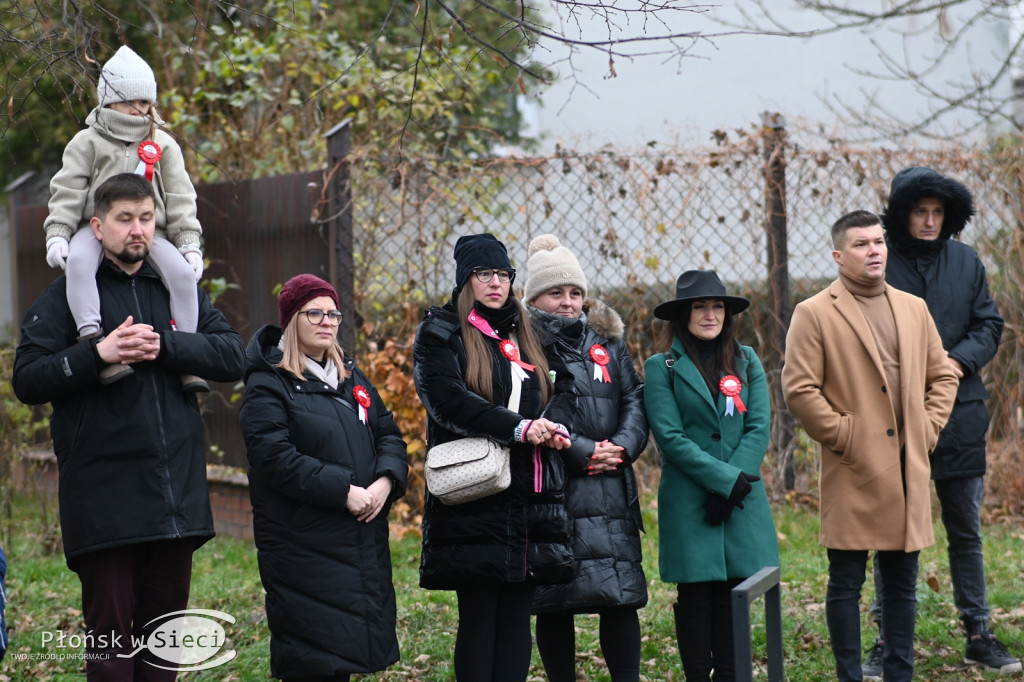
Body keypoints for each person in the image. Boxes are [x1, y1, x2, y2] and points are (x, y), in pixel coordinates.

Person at [12, 172, 245, 680]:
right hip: (105, 506)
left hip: (175, 503)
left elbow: (234, 355)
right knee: (113, 657)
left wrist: (167, 344)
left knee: (163, 657)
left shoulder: (176, 290)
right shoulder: (65, 298)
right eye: (124, 219)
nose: (137, 230)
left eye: (146, 218)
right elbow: (27, 379)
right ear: (97, 226)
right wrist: (99, 353)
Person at [782, 210, 958, 682]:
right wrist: (846, 435)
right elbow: (799, 389)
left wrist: (928, 428)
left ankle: (900, 673)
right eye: (861, 244)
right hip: (853, 468)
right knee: (846, 582)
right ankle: (849, 675)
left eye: (878, 242)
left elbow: (942, 375)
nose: (874, 250)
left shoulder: (912, 307)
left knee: (902, 586)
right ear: (839, 255)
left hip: (907, 471)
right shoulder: (815, 312)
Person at [857, 166, 1016, 677]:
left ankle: (979, 632)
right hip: (895, 419)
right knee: (893, 531)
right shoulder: (880, 264)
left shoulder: (966, 262)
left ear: (949, 216)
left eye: (937, 212)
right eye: (920, 211)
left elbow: (989, 323)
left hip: (962, 416)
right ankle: (888, 638)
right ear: (903, 214)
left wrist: (955, 361)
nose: (928, 221)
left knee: (965, 530)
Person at [413, 232, 575, 682]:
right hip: (477, 489)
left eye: (503, 274)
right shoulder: (441, 330)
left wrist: (555, 424)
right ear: (467, 280)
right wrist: (519, 427)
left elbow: (566, 386)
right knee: (481, 614)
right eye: (485, 274)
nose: (496, 283)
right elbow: (447, 400)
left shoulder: (530, 328)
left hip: (530, 490)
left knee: (518, 614)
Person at [239, 274, 409, 681]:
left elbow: (388, 434)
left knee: (344, 659)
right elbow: (274, 457)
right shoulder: (268, 384)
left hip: (359, 541)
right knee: (314, 662)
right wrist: (343, 491)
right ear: (291, 320)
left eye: (333, 313)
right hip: (304, 545)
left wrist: (386, 480)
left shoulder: (351, 377)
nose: (326, 321)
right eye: (314, 312)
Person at [43, 44, 209, 391]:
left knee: (181, 275)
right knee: (78, 265)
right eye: (132, 102)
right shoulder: (85, 143)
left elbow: (180, 198)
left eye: (146, 103)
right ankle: (94, 339)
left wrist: (189, 244)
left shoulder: (162, 144)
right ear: (109, 101)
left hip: (152, 234)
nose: (140, 111)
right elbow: (68, 191)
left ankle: (187, 357)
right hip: (96, 230)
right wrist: (58, 232)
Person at [524, 235, 649, 682]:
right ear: (534, 297)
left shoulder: (607, 340)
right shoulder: (522, 343)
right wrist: (580, 451)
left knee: (620, 595)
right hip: (555, 486)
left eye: (575, 292)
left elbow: (634, 394)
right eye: (556, 293)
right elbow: (528, 409)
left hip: (611, 484)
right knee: (555, 597)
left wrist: (623, 446)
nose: (568, 302)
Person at [643, 269, 779, 682]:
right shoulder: (660, 366)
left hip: (742, 496)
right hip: (691, 499)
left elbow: (759, 427)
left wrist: (734, 482)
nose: (709, 314)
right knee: (697, 595)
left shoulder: (747, 360)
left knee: (735, 594)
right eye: (699, 306)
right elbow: (669, 436)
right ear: (682, 315)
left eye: (716, 306)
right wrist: (721, 481)